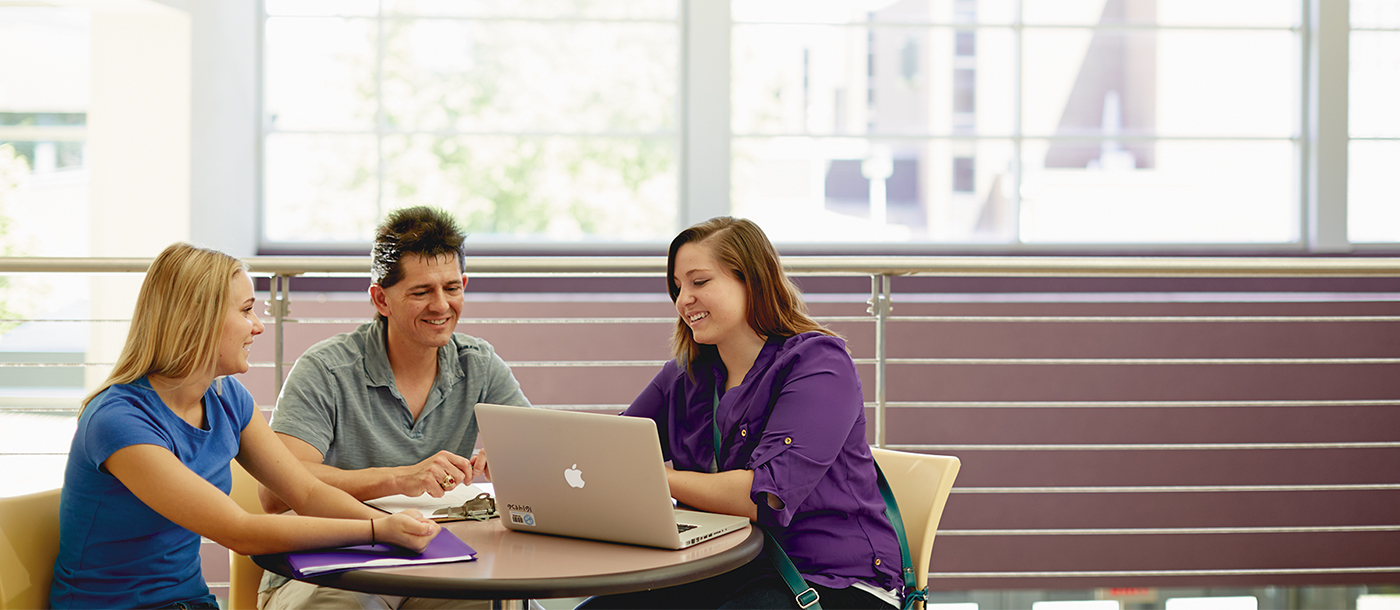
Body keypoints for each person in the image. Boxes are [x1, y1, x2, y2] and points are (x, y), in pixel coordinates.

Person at [50, 242, 441, 610]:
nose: (257, 327)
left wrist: (394, 525)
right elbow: (239, 531)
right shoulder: (119, 420)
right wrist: (376, 532)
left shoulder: (227, 399)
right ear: (196, 319)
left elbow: (305, 491)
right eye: (246, 310)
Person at [581, 217, 904, 609]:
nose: (683, 299)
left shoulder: (819, 364)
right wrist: (526, 460)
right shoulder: (685, 375)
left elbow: (763, 497)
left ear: (752, 281)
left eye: (699, 282)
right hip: (722, 568)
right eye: (677, 287)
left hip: (830, 579)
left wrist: (655, 475)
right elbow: (614, 449)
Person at [258, 205, 531, 609]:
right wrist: (399, 478)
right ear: (381, 299)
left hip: (446, 562)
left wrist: (513, 459)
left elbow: (541, 455)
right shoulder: (326, 369)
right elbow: (275, 493)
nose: (441, 305)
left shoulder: (480, 363)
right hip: (339, 562)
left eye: (452, 288)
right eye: (422, 291)